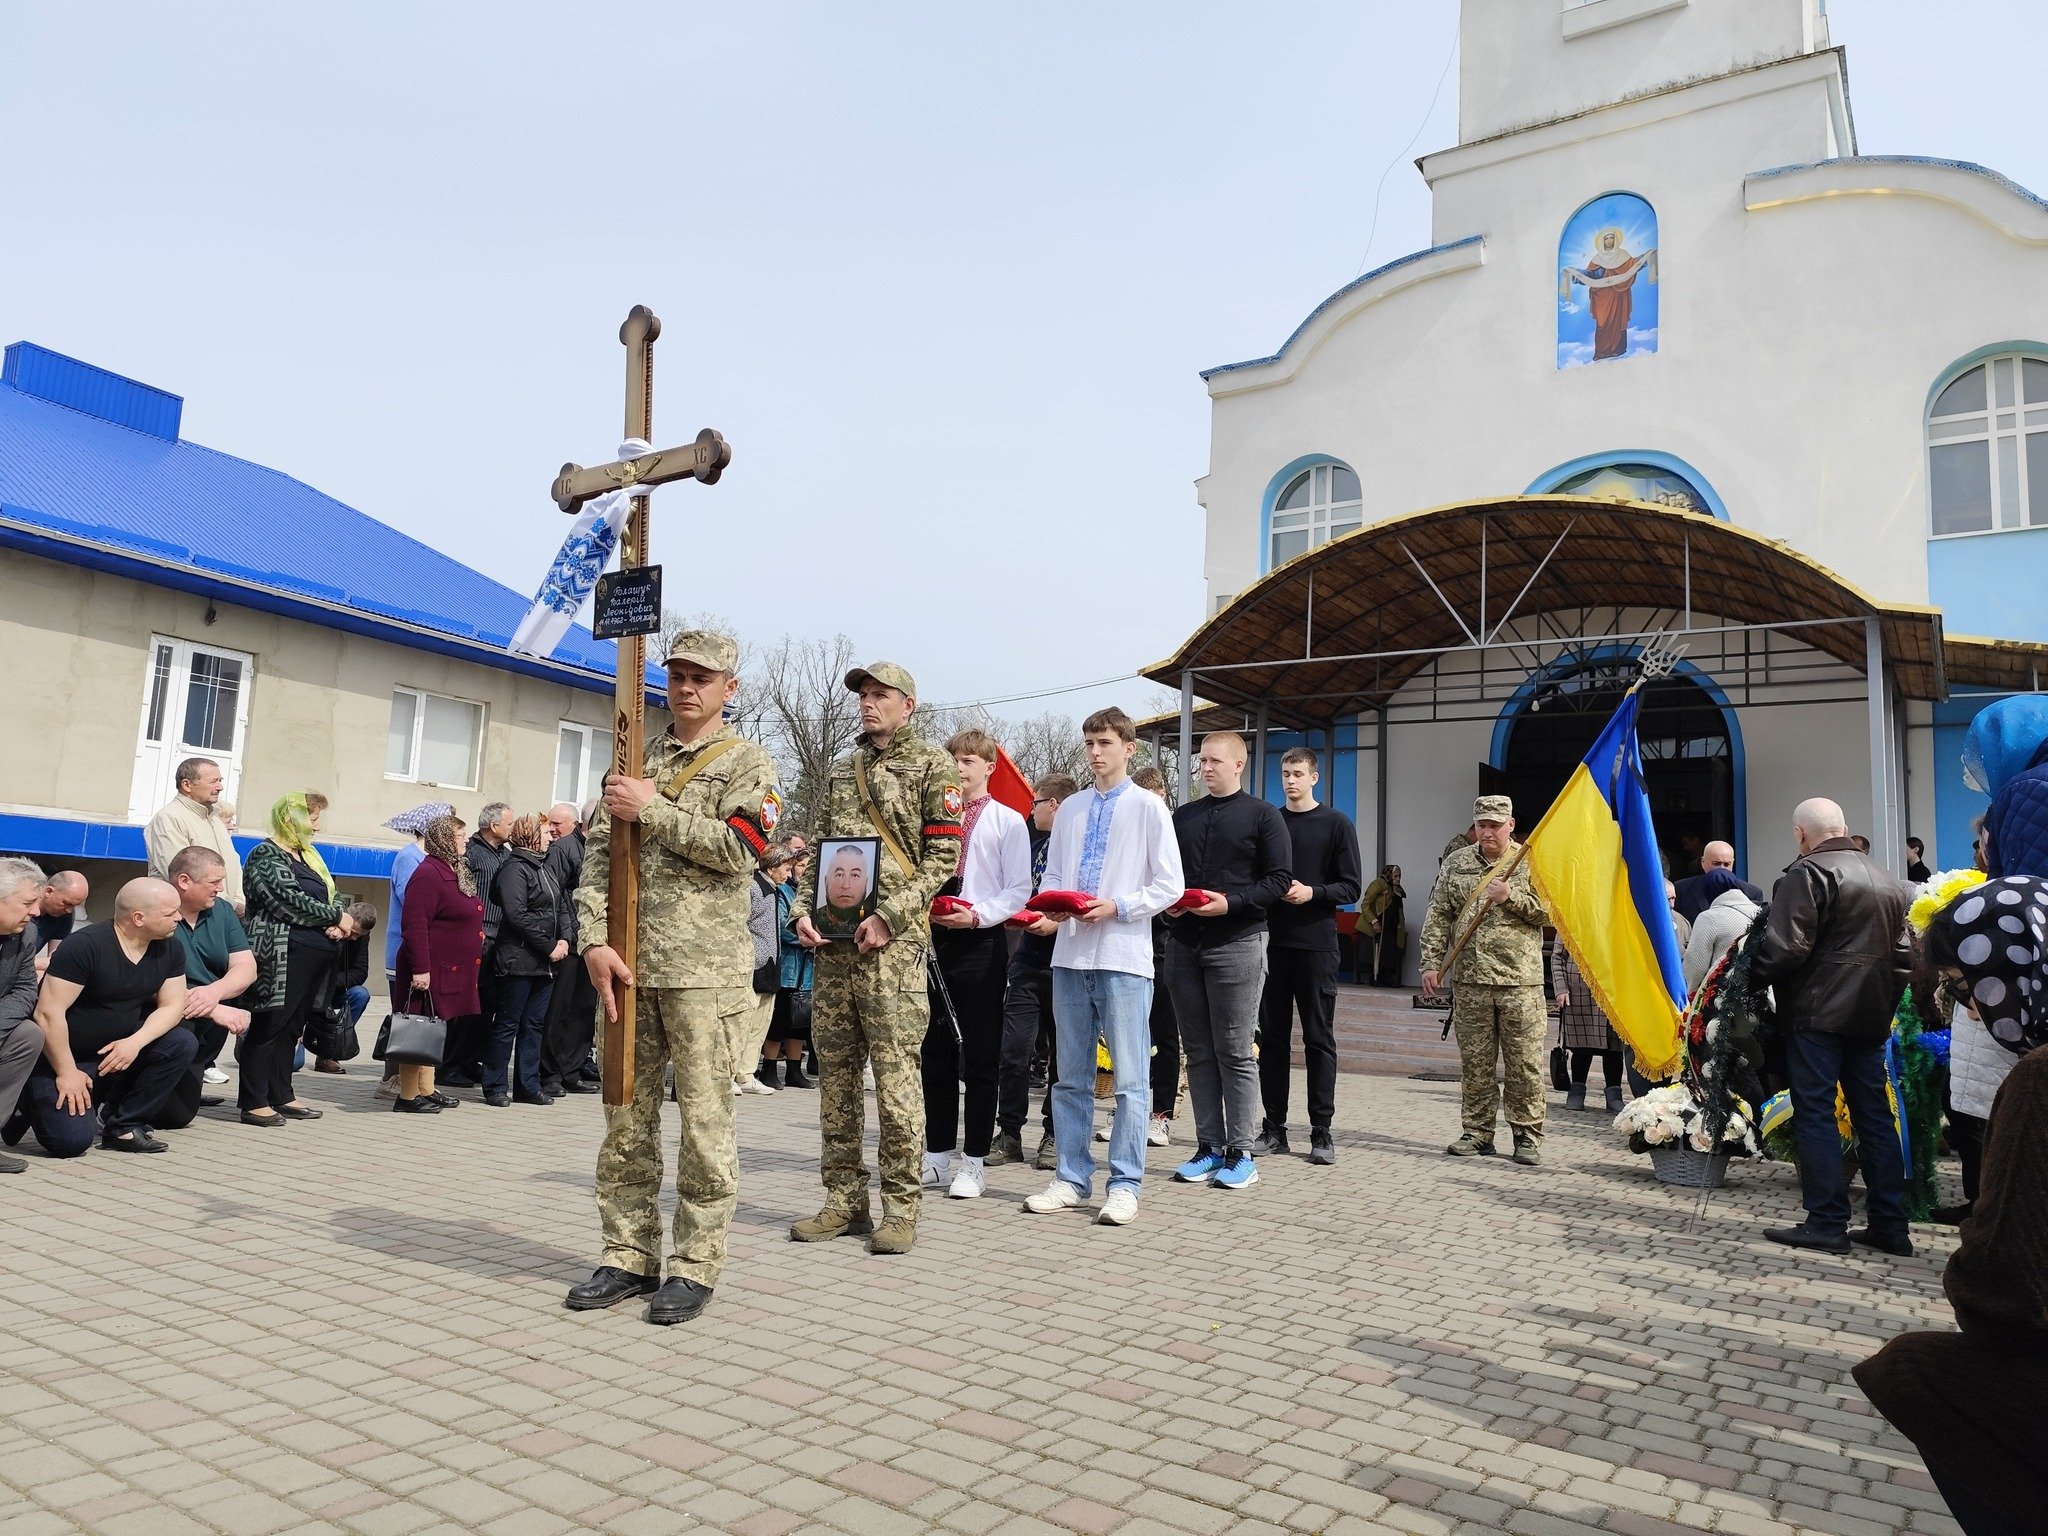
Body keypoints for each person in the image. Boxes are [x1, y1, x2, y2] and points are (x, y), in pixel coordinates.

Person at [567, 629, 782, 1325]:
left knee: (704, 1125)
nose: (687, 688)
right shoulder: (635, 758)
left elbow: (740, 852)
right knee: (624, 1120)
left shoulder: (748, 762)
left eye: (703, 678)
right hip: (628, 968)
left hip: (703, 975)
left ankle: (694, 1265)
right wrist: (593, 941)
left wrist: (652, 809)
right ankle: (627, 1254)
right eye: (679, 675)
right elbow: (596, 861)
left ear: (729, 689)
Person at [1854, 875, 2048, 1535]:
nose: (1969, 1013)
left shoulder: (2040, 1078)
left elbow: (2005, 1293)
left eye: (1967, 989)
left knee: (1911, 1369)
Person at [789, 661, 959, 1257]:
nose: (868, 702)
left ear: (907, 705)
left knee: (894, 1081)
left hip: (894, 949)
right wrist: (803, 911)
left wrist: (890, 915)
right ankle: (844, 1201)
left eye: (880, 694)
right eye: (863, 694)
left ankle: (901, 1208)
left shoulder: (934, 766)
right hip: (836, 948)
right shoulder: (844, 769)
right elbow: (820, 850)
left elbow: (942, 859)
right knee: (835, 1079)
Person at [1021, 708, 1184, 1225]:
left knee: (1132, 1079)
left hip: (1124, 956)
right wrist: (1053, 908)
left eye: (1105, 743)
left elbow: (1170, 884)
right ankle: (1071, 1177)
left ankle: (1126, 1184)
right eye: (1089, 743)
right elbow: (1056, 875)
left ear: (1129, 748)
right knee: (1070, 1077)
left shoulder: (1149, 808)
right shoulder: (1070, 809)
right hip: (1070, 955)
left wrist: (1119, 906)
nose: (1095, 752)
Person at [1748, 797, 1912, 1255]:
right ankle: (1890, 1225)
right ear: (1844, 826)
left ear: (1800, 833)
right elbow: (1904, 957)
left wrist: (1745, 978)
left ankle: (1826, 1222)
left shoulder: (1808, 872)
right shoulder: (1887, 878)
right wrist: (1881, 1005)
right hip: (1869, 1015)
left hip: (1817, 1014)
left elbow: (1785, 948)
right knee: (1874, 1115)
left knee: (1816, 1111)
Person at [1164, 732, 1291, 1191]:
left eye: (1216, 761)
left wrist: (1230, 904)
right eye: (1202, 761)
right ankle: (1208, 1146)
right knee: (1197, 1051)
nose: (1206, 768)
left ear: (1239, 765)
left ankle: (1241, 1153)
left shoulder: (1264, 815)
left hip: (1237, 941)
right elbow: (1164, 875)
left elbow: (1279, 879)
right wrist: (1169, 906)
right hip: (1183, 944)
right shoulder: (1183, 816)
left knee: (1235, 1051)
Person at [923, 729, 1032, 1199]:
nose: (959, 769)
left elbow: (1018, 889)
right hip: (933, 940)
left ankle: (974, 1161)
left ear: (989, 767)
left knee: (981, 1053)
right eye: (953, 760)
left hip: (981, 941)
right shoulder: (931, 816)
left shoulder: (1007, 821)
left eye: (968, 761)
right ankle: (936, 1155)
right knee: (934, 1052)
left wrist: (978, 915)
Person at [15, 878, 195, 1156]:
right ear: (138, 918)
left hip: (115, 1054)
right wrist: (66, 1072)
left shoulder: (169, 947)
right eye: (170, 913)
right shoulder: (85, 946)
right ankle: (25, 1099)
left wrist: (135, 1042)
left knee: (180, 1042)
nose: (179, 918)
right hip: (60, 1058)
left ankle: (124, 1126)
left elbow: (173, 1005)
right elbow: (48, 1013)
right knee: (70, 1143)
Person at [1420, 795, 1550, 1166]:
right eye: (1482, 825)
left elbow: (1550, 912)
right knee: (1475, 1063)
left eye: (1495, 825)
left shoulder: (1531, 860)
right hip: (1470, 979)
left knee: (1524, 1064)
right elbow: (1439, 913)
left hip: (1519, 982)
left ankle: (1526, 1136)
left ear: (1511, 825)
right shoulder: (1457, 862)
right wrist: (1430, 963)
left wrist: (1511, 897)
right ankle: (1477, 1133)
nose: (1488, 832)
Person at [1256, 747, 1361, 1165]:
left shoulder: (1336, 824)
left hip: (1316, 946)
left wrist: (1312, 893)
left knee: (1319, 1039)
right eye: (1285, 773)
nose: (1290, 781)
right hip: (1271, 944)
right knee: (1272, 1040)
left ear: (1314, 777)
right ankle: (1274, 1128)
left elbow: (1351, 886)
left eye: (1298, 774)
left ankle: (1321, 1132)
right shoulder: (1270, 822)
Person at [239, 792, 355, 1127]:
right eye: (313, 818)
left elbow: (330, 894)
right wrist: (336, 916)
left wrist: (337, 921)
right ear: (291, 819)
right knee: (270, 1025)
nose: (317, 827)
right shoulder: (265, 854)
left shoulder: (308, 855)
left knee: (292, 1028)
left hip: (313, 953)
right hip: (281, 952)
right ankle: (253, 1101)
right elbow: (285, 900)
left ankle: (281, 1093)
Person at [997, 774, 1079, 1169]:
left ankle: (1053, 1135)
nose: (1031, 811)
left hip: (1066, 962)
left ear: (1055, 805)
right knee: (1013, 1052)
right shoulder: (1030, 846)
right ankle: (1008, 1133)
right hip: (1027, 961)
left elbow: (1091, 901)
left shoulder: (1078, 848)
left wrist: (1058, 925)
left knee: (1063, 1057)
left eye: (1036, 803)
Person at [160, 846, 255, 1130]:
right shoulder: (156, 907)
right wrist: (211, 1007)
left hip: (208, 1015)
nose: (220, 888)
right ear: (184, 881)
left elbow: (246, 967)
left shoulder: (222, 911)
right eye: (213, 882)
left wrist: (214, 993)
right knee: (172, 1115)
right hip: (166, 1014)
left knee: (179, 1115)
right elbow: (146, 980)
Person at [394, 814, 484, 1114]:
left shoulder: (452, 868)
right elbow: (414, 925)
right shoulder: (428, 873)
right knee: (417, 1028)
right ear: (444, 839)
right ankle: (407, 1096)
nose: (465, 840)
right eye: (459, 835)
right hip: (428, 968)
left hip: (449, 968)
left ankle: (427, 1088)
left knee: (434, 1024)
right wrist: (420, 969)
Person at [488, 814, 570, 1108]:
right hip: (518, 959)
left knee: (533, 1025)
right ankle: (495, 1086)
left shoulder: (545, 866)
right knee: (507, 1024)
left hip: (546, 963)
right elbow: (516, 914)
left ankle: (528, 1086)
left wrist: (565, 939)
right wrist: (549, 946)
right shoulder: (515, 868)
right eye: (545, 832)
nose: (550, 837)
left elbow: (561, 906)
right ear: (530, 836)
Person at [374, 802, 452, 1100]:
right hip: (405, 949)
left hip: (427, 951)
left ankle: (422, 1083)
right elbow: (414, 902)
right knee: (406, 1017)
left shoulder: (430, 858)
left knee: (424, 1017)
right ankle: (392, 1078)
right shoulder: (410, 857)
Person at [444, 802, 513, 1086]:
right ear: (493, 826)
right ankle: (449, 1066)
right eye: (508, 823)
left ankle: (470, 1061)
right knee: (465, 1006)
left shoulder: (506, 855)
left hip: (500, 940)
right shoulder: (471, 853)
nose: (512, 828)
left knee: (487, 1006)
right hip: (477, 938)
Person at [1131, 764, 1181, 1150]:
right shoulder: (1129, 835)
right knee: (1130, 1035)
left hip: (1164, 948)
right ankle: (1130, 1112)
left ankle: (1161, 1114)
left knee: (1164, 1034)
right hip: (1130, 947)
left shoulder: (1175, 835)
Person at [540, 802, 601, 1097]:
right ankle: (550, 1073)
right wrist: (566, 934)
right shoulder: (564, 849)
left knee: (584, 1009)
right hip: (570, 941)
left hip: (594, 942)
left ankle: (572, 1070)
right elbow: (556, 895)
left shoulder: (602, 848)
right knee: (559, 1010)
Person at [145, 757, 244, 912]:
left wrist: (238, 901)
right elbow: (183, 874)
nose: (220, 787)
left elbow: (234, 864)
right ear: (187, 785)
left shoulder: (216, 820)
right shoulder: (169, 818)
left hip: (222, 912)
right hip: (185, 916)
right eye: (213, 781)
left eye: (220, 780)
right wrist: (231, 905)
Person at [0, 857, 48, 1172]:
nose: (36, 912)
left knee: (28, 1035)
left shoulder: (26, 934)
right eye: (28, 903)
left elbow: (25, 990)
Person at [757, 836, 815, 1090]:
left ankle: (794, 1069)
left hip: (807, 968)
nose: (802, 871)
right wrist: (807, 939)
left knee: (800, 1021)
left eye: (808, 867)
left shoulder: (812, 895)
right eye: (799, 866)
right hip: (788, 965)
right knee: (779, 1019)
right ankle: (769, 1068)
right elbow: (782, 926)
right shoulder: (784, 892)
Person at [1550, 943, 1623, 1113]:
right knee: (1581, 1048)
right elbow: (1558, 957)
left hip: (1613, 991)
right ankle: (1576, 1091)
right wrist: (1561, 989)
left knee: (1614, 1048)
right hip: (1578, 993)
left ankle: (1614, 1095)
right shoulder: (1570, 924)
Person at [740, 845, 787, 1096]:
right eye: (785, 868)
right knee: (745, 1023)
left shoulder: (774, 890)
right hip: (755, 964)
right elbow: (743, 924)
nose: (788, 874)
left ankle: (746, 1074)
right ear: (771, 867)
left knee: (760, 1023)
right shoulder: (754, 887)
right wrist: (753, 955)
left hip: (771, 964)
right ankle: (734, 1073)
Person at [316, 902, 375, 1075]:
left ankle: (330, 1052)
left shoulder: (361, 939)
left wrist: (331, 981)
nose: (354, 938)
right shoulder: (326, 928)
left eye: (360, 935)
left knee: (360, 994)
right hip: (314, 991)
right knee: (295, 1064)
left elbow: (360, 972)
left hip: (336, 989)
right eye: (354, 933)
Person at [1682, 867, 1763, 993]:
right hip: (1758, 991)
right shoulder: (1760, 913)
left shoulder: (1709, 918)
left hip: (1721, 995)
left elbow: (1696, 966)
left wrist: (1691, 992)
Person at [1672, 840, 1763, 924]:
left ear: (1732, 864)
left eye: (1726, 864)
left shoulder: (1751, 893)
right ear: (1703, 862)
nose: (1721, 869)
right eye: (1716, 864)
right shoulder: (1682, 889)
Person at [30, 870, 88, 969]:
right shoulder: (21, 909)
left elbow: (55, 959)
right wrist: (40, 964)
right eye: (67, 903)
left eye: (74, 906)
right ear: (49, 891)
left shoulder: (64, 915)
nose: (69, 910)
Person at [1360, 865, 1407, 987]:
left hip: (1390, 926)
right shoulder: (1378, 883)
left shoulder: (1396, 888)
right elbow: (1365, 905)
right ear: (1388, 875)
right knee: (1379, 952)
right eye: (1395, 876)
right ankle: (1376, 977)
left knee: (1389, 951)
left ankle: (1386, 977)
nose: (1398, 878)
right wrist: (1374, 921)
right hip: (1377, 924)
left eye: (1400, 876)